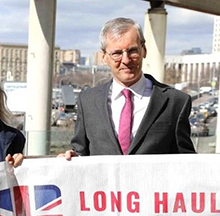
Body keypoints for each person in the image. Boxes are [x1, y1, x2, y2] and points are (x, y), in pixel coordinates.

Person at [63, 17, 195, 159]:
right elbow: (81, 150)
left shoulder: (176, 102)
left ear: (143, 51)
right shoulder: (87, 100)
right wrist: (72, 157)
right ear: (104, 57)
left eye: (132, 51)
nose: (126, 60)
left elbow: (186, 161)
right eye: (117, 53)